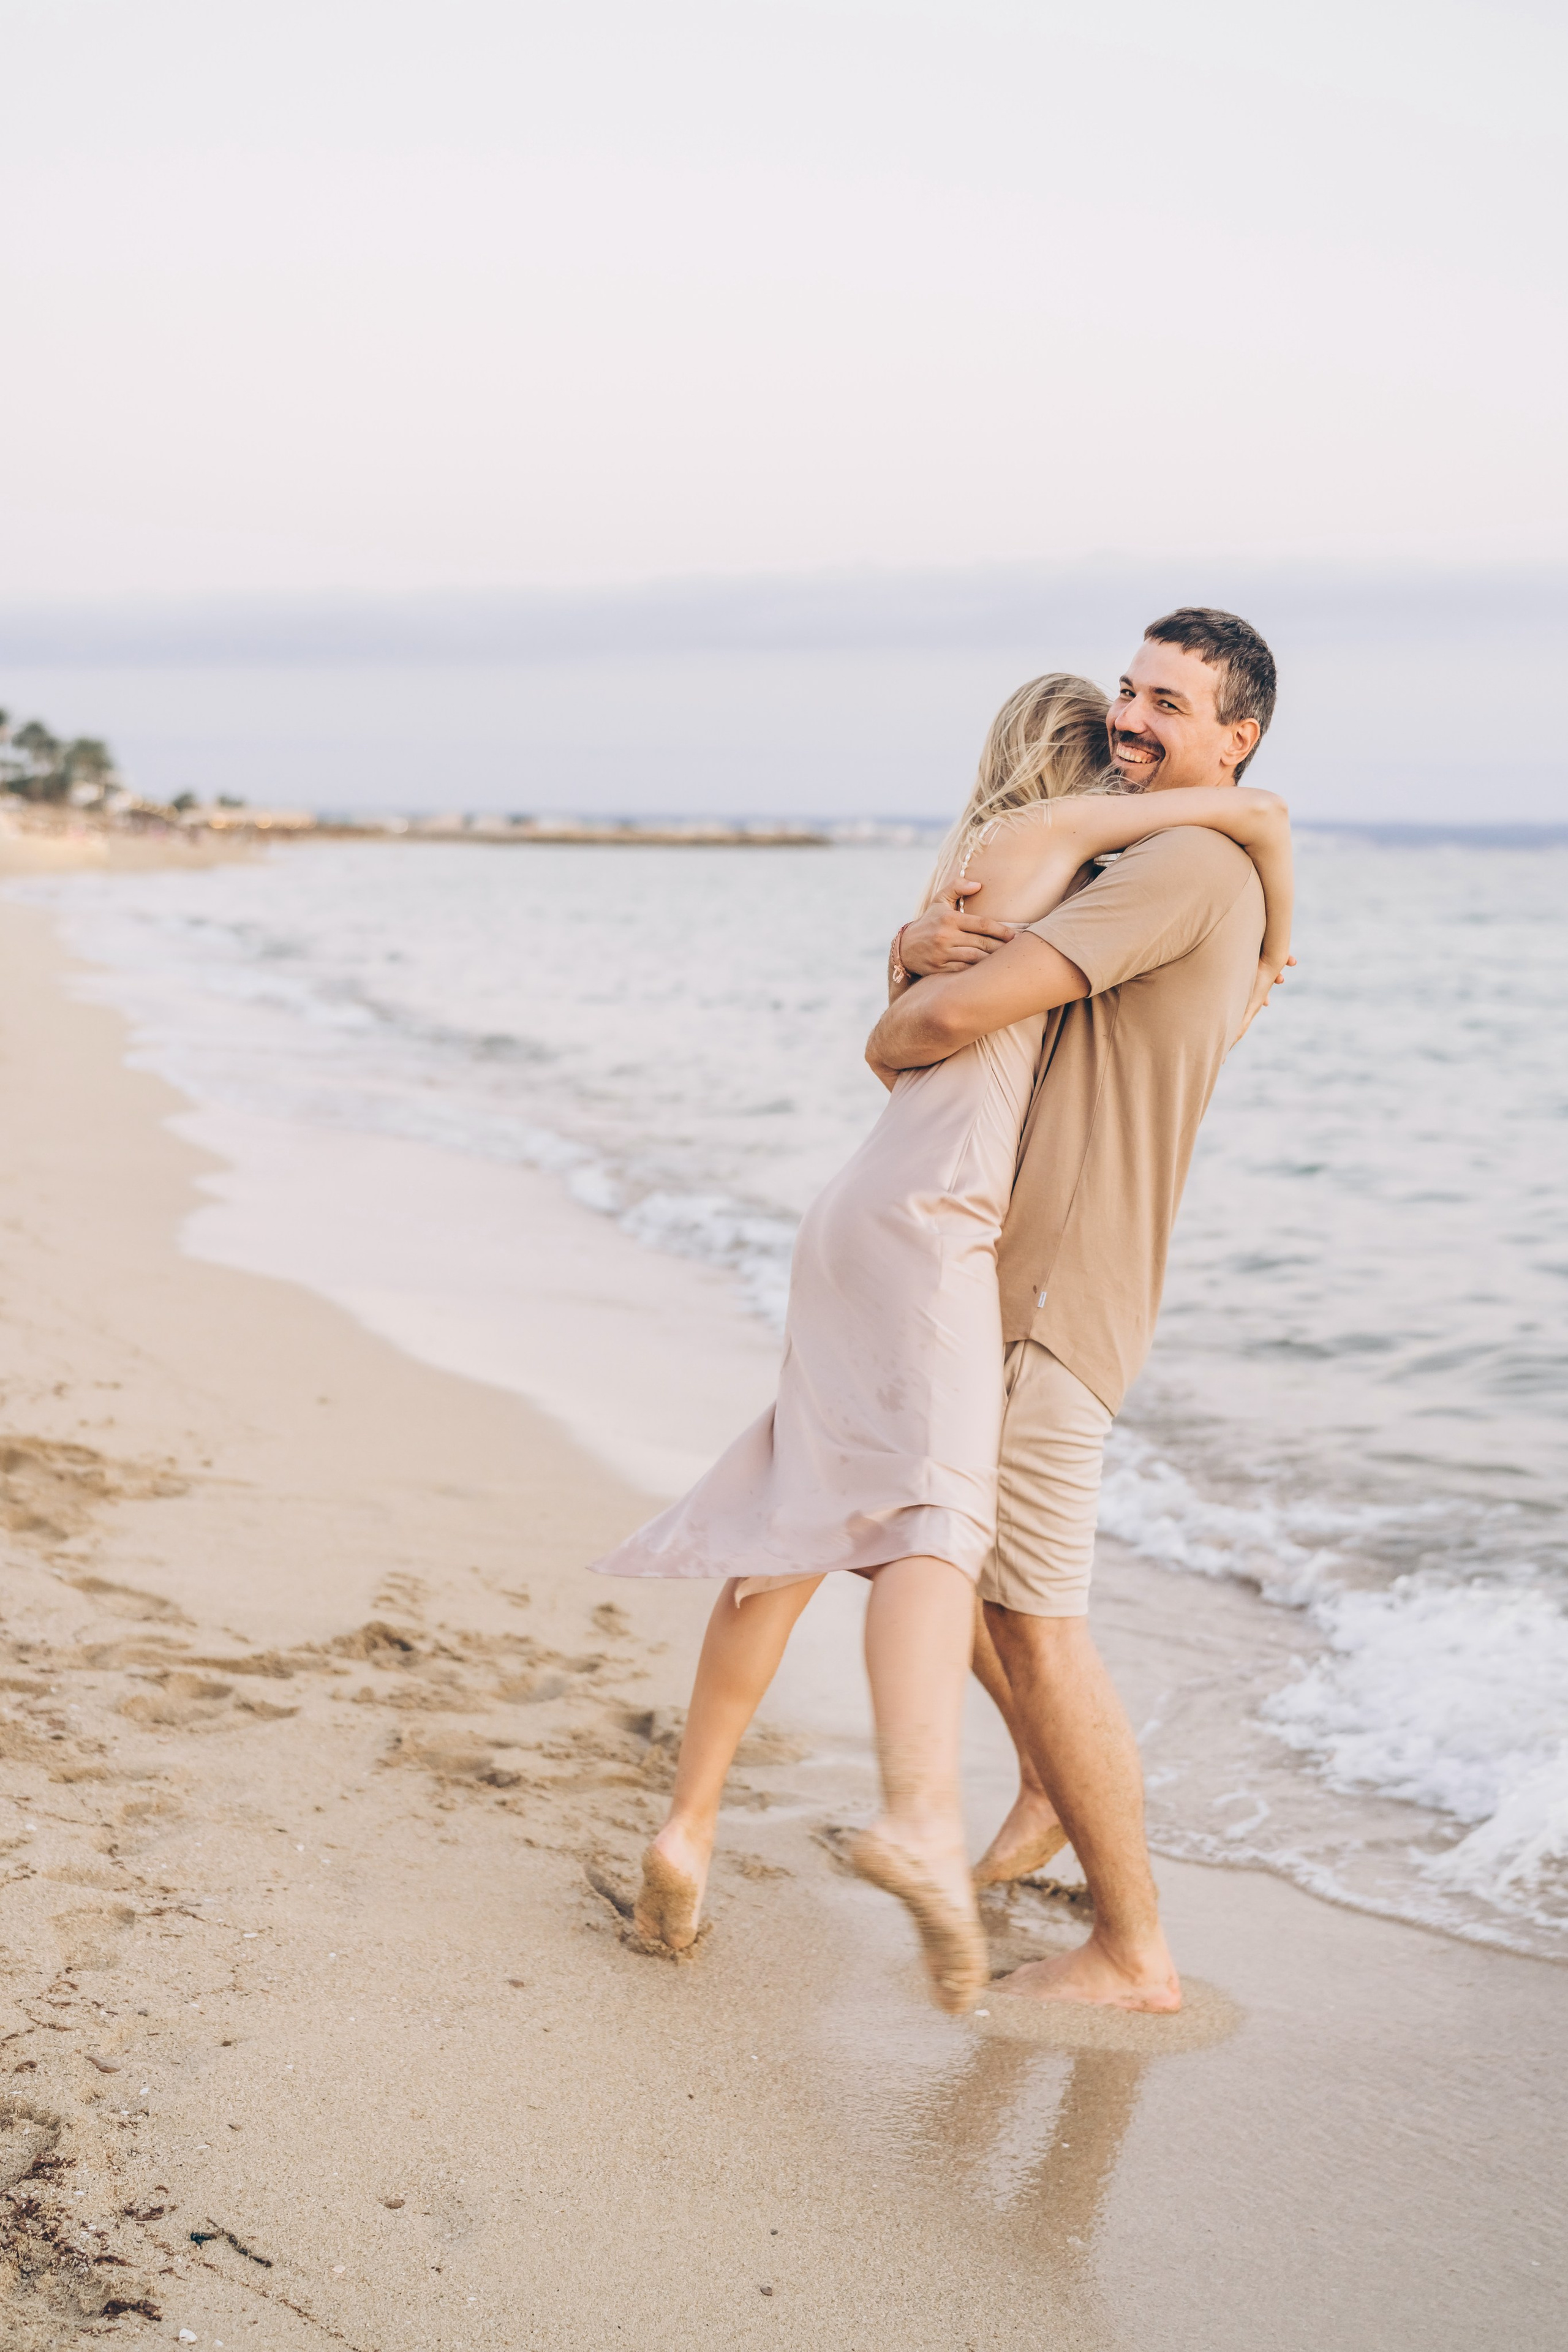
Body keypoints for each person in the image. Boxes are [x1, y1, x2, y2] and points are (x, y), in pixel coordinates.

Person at [594, 611, 1291, 2015]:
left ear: (1234, 736)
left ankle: (1125, 1945)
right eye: (1125, 693)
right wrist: (918, 943)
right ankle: (1034, 1801)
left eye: (1166, 704)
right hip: (988, 1270)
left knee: (1022, 1615)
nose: (1135, 718)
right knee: (949, 1567)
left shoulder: (1177, 864)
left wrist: (919, 964)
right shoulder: (1164, 859)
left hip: (1034, 1289)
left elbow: (915, 1036)